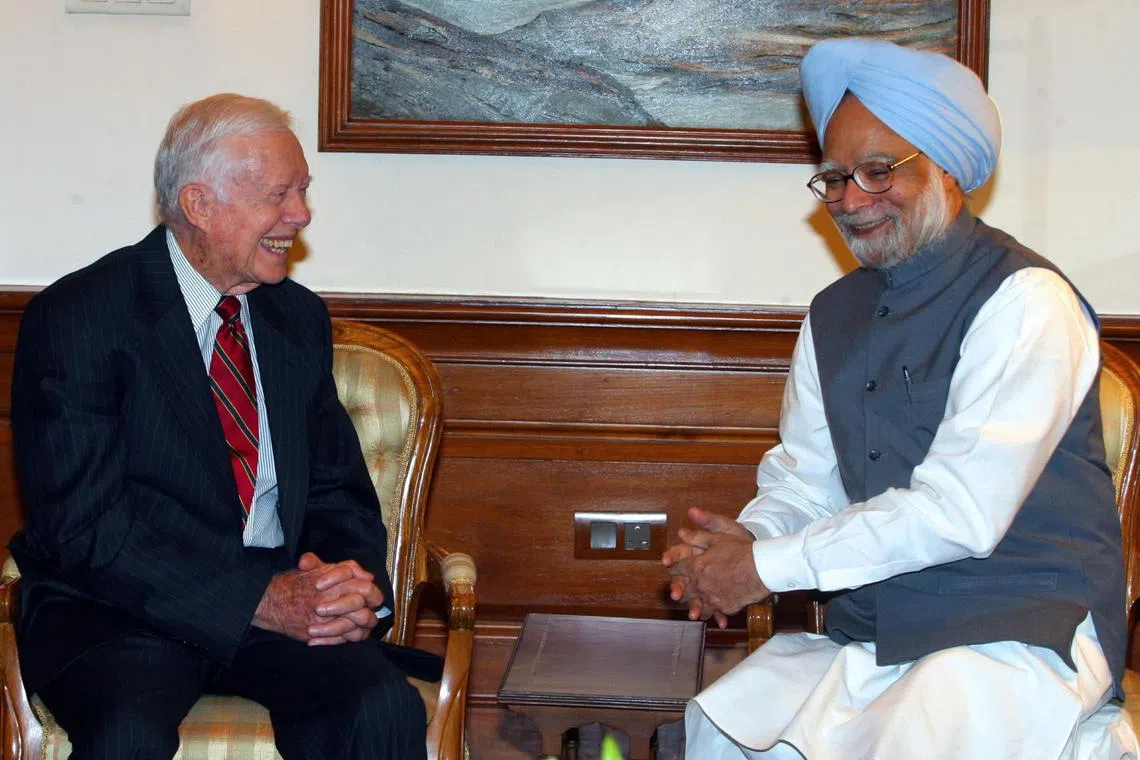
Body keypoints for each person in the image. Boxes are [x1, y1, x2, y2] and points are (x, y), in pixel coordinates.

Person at [663, 38, 1140, 760]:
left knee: (929, 725)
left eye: (879, 171)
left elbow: (960, 513)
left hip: (1020, 632)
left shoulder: (1026, 301)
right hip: (879, 631)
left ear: (949, 166)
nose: (852, 200)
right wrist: (750, 542)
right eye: (834, 178)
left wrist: (768, 569)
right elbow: (805, 476)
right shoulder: (831, 315)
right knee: (727, 723)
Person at [9, 93, 437, 759]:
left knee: (380, 710)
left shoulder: (296, 319)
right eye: (279, 194)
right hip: (119, 613)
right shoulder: (79, 319)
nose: (301, 214)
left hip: (278, 601)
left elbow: (335, 492)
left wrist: (344, 585)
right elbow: (85, 530)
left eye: (303, 191)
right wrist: (256, 600)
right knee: (127, 738)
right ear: (199, 205)